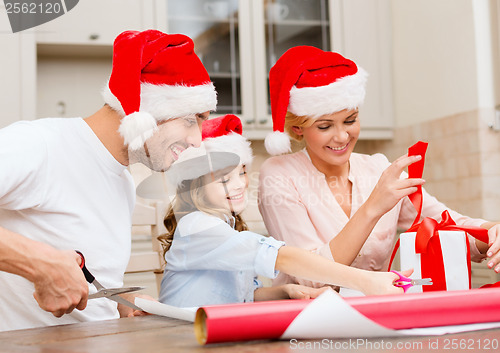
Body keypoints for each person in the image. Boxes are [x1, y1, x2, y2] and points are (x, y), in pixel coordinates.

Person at [0, 29, 217, 331]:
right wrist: (39, 264)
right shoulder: (39, 144)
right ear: (147, 110)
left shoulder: (123, 181)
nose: (197, 140)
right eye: (191, 120)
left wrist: (123, 302)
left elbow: (93, 285)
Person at [258, 46, 500, 288]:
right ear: (299, 128)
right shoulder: (279, 175)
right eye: (325, 127)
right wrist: (373, 207)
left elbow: (449, 225)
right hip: (308, 319)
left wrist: (491, 233)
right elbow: (310, 278)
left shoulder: (378, 168)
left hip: (380, 314)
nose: (342, 136)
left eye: (350, 121)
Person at [157, 114, 408, 308]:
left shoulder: (228, 228)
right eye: (224, 179)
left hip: (214, 334)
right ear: (193, 186)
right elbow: (284, 257)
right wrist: (366, 281)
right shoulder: (198, 227)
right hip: (182, 337)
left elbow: (242, 296)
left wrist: (285, 292)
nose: (238, 185)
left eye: (242, 172)